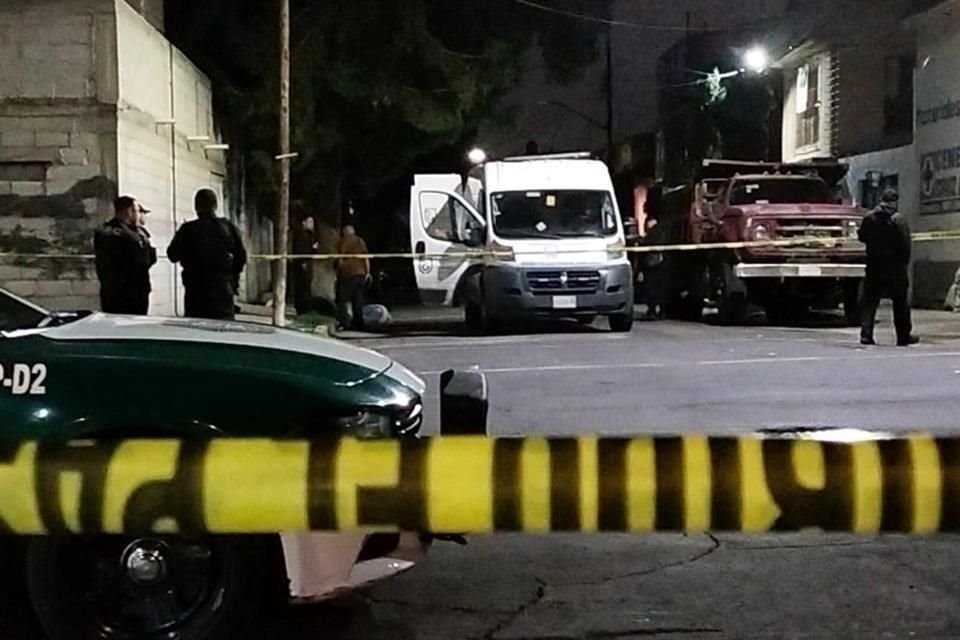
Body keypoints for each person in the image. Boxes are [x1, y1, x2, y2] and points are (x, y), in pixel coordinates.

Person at [168, 188, 247, 321]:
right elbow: (241, 257)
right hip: (222, 290)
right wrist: (232, 277)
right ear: (215, 206)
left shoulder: (187, 230)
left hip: (196, 292)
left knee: (196, 331)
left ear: (196, 207)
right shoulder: (228, 227)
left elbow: (172, 255)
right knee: (223, 330)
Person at [858, 188, 918, 347]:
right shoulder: (898, 219)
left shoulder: (869, 217)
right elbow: (905, 244)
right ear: (895, 202)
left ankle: (866, 334)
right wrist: (903, 263)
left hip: (874, 266)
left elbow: (861, 236)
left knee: (870, 302)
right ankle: (903, 336)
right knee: (900, 303)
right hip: (895, 267)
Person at [94, 196, 157, 315]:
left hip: (110, 291)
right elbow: (146, 260)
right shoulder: (132, 236)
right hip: (132, 293)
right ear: (129, 211)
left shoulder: (103, 230)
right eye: (137, 211)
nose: (139, 215)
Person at [335, 224, 371, 330]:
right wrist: (367, 272)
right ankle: (359, 322)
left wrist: (338, 271)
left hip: (348, 273)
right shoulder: (360, 241)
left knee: (342, 299)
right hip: (360, 273)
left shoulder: (343, 241)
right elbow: (366, 257)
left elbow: (341, 258)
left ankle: (344, 322)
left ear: (344, 232)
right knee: (358, 299)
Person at [642, 216, 667, 320]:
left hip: (653, 264)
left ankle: (654, 310)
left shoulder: (654, 234)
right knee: (659, 289)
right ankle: (660, 311)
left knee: (653, 288)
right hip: (656, 263)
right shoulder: (661, 233)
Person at [293, 215, 318, 313]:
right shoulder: (302, 235)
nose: (312, 225)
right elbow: (301, 250)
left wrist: (314, 249)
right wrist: (303, 261)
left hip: (306, 262)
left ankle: (305, 307)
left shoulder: (310, 235)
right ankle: (302, 308)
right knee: (303, 287)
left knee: (306, 286)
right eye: (310, 222)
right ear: (304, 223)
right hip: (303, 263)